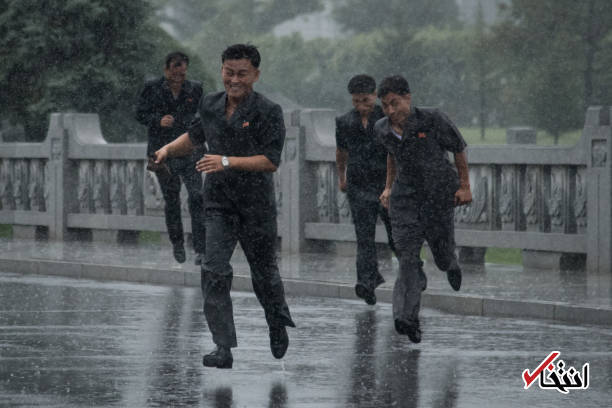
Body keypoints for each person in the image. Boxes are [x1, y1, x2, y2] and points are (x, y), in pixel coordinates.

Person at [153, 44, 295, 369]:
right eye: (229, 72)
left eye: (242, 74)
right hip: (218, 204)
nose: (234, 80)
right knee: (213, 270)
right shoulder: (211, 104)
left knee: (265, 275)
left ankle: (276, 321)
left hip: (255, 206)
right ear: (222, 72)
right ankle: (222, 346)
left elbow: (271, 161)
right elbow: (194, 136)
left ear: (255, 75)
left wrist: (227, 160)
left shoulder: (268, 111)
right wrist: (166, 150)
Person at [376, 75, 472, 343]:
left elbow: (459, 149)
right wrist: (388, 187)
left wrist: (464, 186)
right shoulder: (383, 129)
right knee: (406, 258)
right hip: (405, 200)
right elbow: (392, 156)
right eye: (385, 106)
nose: (391, 111)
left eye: (395, 103)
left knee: (441, 252)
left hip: (438, 195)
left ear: (408, 97)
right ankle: (406, 318)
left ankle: (450, 263)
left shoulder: (433, 119)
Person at [136, 51, 206, 265]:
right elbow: (139, 113)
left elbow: (203, 115)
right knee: (172, 199)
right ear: (167, 69)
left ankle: (200, 248)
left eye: (183, 70)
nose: (179, 75)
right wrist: (157, 120)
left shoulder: (195, 89)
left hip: (190, 150)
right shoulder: (152, 88)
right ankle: (177, 243)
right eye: (175, 69)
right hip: (162, 153)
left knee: (197, 196)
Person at [335, 74, 395, 306]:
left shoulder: (387, 118)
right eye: (356, 101)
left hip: (385, 185)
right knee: (364, 238)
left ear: (375, 96)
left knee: (395, 235)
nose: (361, 106)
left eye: (366, 100)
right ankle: (366, 283)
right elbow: (341, 152)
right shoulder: (344, 121)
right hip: (358, 185)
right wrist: (342, 176)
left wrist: (393, 184)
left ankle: (413, 272)